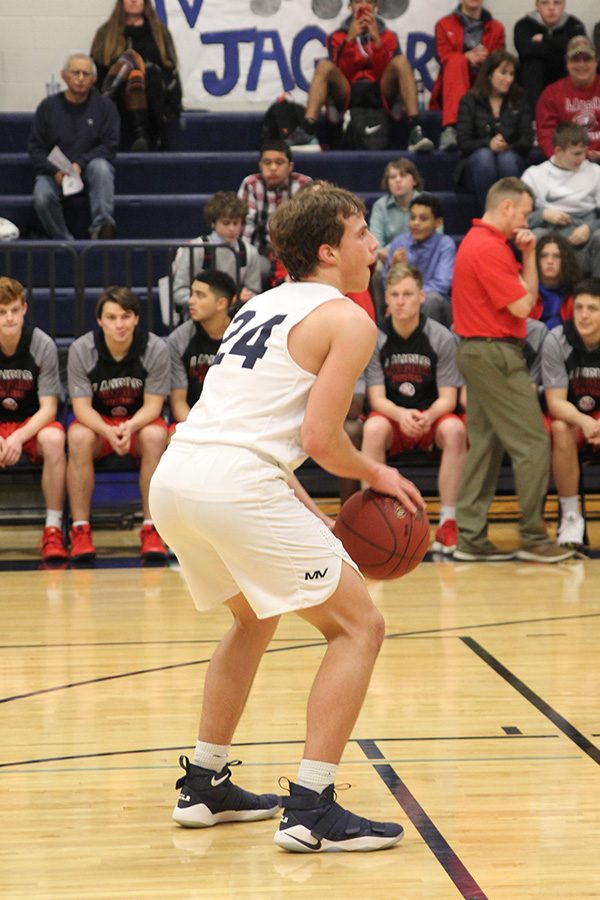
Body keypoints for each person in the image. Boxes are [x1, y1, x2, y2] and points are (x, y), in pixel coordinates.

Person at [148, 183, 424, 852]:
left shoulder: (258, 306)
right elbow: (323, 440)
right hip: (237, 483)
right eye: (362, 234)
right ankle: (311, 806)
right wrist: (379, 472)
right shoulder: (350, 319)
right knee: (361, 626)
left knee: (254, 617)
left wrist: (303, 506)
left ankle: (205, 783)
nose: (374, 246)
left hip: (181, 476)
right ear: (329, 250)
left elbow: (254, 424)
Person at [452, 176, 574, 563]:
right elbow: (524, 306)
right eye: (522, 212)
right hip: (494, 353)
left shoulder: (485, 244)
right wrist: (528, 257)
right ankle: (534, 536)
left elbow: (526, 300)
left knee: (486, 444)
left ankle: (470, 537)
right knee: (534, 442)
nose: (525, 221)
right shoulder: (487, 247)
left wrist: (525, 256)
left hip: (481, 351)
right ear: (506, 207)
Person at [362, 264, 466, 554]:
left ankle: (448, 521)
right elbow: (377, 398)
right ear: (386, 299)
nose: (400, 301)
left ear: (422, 297)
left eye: (407, 294)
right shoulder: (375, 337)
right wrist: (401, 415)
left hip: (430, 416)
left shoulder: (440, 337)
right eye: (394, 294)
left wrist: (427, 416)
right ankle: (375, 520)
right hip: (393, 417)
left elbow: (449, 397)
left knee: (456, 429)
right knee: (372, 428)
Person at [67, 286, 170, 562]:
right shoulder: (82, 349)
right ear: (100, 321)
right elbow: (81, 407)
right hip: (99, 425)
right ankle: (80, 529)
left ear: (136, 318)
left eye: (125, 316)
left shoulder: (155, 348)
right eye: (111, 318)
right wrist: (108, 430)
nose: (119, 324)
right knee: (77, 437)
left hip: (138, 423)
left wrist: (129, 427)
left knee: (155, 436)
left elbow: (154, 405)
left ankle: (152, 528)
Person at [287, 0, 433, 153]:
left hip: (380, 88)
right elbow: (343, 72)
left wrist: (377, 43)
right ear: (350, 6)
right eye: (358, 1)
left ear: (375, 6)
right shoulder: (337, 37)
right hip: (348, 89)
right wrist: (349, 40)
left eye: (369, 2)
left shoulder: (389, 37)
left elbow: (381, 72)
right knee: (324, 66)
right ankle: (308, 128)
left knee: (401, 62)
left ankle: (415, 129)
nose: (363, 6)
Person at [0, 277, 68, 562]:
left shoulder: (41, 343)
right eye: (2, 312)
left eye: (15, 310)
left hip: (30, 424)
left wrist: (17, 437)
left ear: (25, 308)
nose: (9, 317)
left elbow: (49, 407)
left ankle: (53, 528)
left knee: (55, 438)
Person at [28, 53, 119, 240]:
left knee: (101, 167)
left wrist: (81, 163)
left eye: (86, 74)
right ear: (64, 75)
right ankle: (64, 241)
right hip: (54, 173)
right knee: (42, 195)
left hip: (88, 168)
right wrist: (54, 171)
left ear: (93, 79)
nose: (80, 78)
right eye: (75, 72)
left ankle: (102, 229)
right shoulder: (48, 107)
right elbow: (35, 148)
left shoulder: (105, 107)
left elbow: (110, 144)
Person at [542, 278, 600, 547]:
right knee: (559, 428)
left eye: (592, 308)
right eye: (579, 308)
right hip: (575, 416)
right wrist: (585, 422)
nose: (584, 315)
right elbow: (555, 402)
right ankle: (571, 517)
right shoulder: (557, 339)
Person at [91, 0, 182, 151]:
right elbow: (96, 72)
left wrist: (174, 104)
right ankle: (141, 134)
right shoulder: (105, 33)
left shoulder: (159, 32)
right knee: (130, 64)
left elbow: (170, 71)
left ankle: (140, 132)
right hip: (118, 100)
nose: (133, 1)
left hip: (152, 97)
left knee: (136, 67)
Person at [456, 50, 534, 214]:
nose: (508, 79)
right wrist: (488, 144)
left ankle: (511, 215)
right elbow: (464, 142)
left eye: (512, 74)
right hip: (477, 166)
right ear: (490, 74)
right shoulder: (469, 100)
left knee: (507, 159)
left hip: (512, 159)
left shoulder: (520, 99)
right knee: (485, 157)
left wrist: (508, 145)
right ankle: (491, 215)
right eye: (503, 73)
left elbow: (527, 140)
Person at [521, 123, 600, 276]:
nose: (582, 158)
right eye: (576, 154)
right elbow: (519, 219)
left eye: (584, 152)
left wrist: (589, 228)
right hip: (551, 236)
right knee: (535, 235)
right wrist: (542, 214)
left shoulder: (596, 172)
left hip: (585, 235)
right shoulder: (534, 175)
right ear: (558, 151)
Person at [169, 192, 261, 315]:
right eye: (226, 223)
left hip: (235, 318)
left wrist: (243, 297)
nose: (232, 228)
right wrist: (210, 303)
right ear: (213, 223)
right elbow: (178, 293)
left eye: (236, 223)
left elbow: (255, 293)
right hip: (198, 318)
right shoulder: (196, 249)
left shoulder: (250, 252)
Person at [431, 0, 505, 152]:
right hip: (454, 84)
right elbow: (443, 57)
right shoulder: (443, 24)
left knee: (498, 67)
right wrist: (466, 57)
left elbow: (501, 61)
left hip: (483, 85)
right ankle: (451, 128)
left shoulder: (497, 28)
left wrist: (487, 59)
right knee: (456, 61)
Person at [237, 141, 312, 289]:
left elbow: (310, 228)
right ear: (260, 165)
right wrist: (246, 260)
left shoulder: (304, 184)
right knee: (259, 269)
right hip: (261, 251)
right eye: (267, 162)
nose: (273, 168)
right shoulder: (251, 184)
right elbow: (245, 230)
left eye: (279, 162)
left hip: (296, 254)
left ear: (290, 166)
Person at [167, 271, 235, 429]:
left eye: (200, 295)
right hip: (192, 421)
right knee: (170, 438)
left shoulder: (243, 336)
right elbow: (178, 401)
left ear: (221, 303)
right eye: (192, 294)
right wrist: (197, 429)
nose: (191, 301)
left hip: (233, 422)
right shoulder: (178, 339)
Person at [382, 194, 456, 326]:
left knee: (431, 299)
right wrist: (392, 267)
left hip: (435, 305)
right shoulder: (399, 242)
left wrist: (413, 297)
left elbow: (442, 284)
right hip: (404, 298)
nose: (416, 223)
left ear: (438, 223)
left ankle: (426, 344)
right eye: (413, 217)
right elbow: (385, 283)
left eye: (423, 219)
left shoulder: (445, 244)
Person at [513, 0, 586, 114]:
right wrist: (561, 48)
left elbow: (580, 48)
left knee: (578, 63)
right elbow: (525, 50)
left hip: (563, 74)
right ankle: (534, 118)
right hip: (533, 80)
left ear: (563, 5)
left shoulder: (574, 25)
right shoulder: (524, 25)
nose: (551, 8)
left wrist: (545, 39)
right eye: (545, 3)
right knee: (532, 63)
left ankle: (572, 114)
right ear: (537, 5)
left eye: (556, 3)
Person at [535, 36, 600, 161]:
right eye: (575, 59)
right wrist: (560, 158)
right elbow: (546, 133)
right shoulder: (551, 93)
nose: (581, 65)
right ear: (567, 61)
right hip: (565, 161)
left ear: (596, 60)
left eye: (587, 59)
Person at [368, 158, 424, 260]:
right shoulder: (380, 206)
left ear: (414, 180)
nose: (397, 180)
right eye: (392, 177)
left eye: (403, 175)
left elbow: (434, 240)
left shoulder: (427, 203)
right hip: (389, 260)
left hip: (422, 257)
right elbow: (375, 244)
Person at [530, 233, 581, 327]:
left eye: (557, 256)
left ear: (566, 260)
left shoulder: (576, 294)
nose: (550, 261)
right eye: (544, 256)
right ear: (536, 259)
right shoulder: (526, 291)